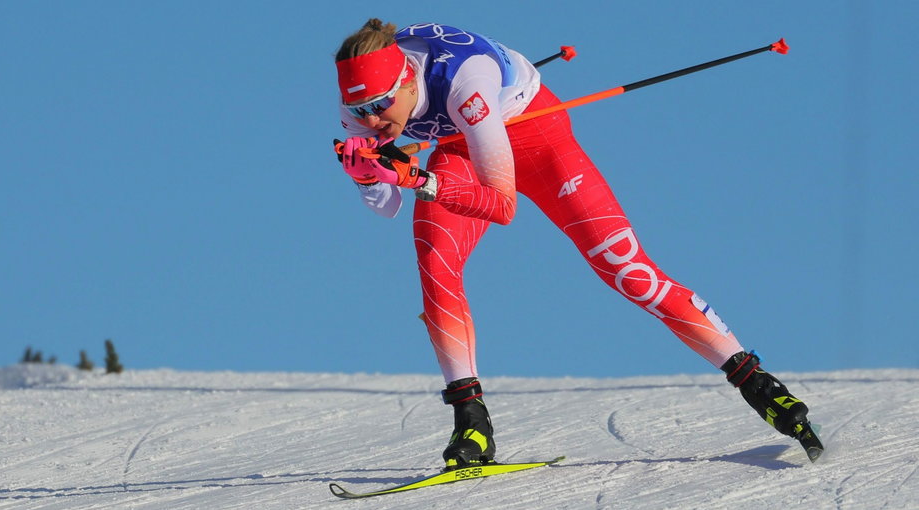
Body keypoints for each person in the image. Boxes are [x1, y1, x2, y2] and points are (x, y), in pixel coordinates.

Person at [332, 19, 822, 469]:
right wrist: (367, 176)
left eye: (380, 107)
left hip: (536, 138)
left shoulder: (466, 81)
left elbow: (501, 206)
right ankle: (472, 424)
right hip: (459, 149)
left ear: (408, 81)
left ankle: (757, 383)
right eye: (360, 112)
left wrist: (415, 179)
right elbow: (384, 206)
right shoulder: (361, 102)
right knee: (435, 260)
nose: (372, 121)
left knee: (625, 270)